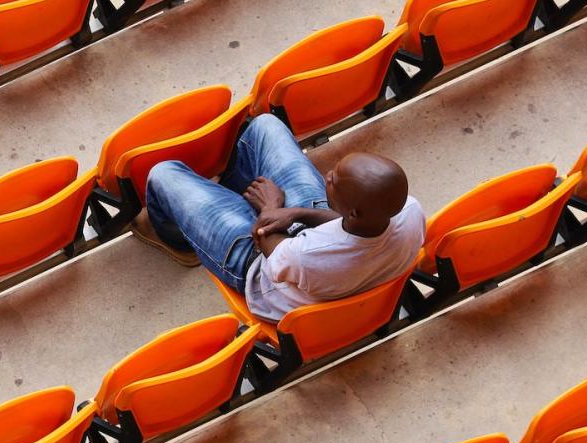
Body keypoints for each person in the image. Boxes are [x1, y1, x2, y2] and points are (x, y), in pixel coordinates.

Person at [132, 113, 425, 322]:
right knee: (265, 125)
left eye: (335, 180)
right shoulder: (409, 212)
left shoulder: (308, 255)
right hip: (313, 249)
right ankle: (231, 191)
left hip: (261, 269)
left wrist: (271, 207)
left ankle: (178, 242)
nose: (327, 174)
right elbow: (345, 227)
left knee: (163, 174)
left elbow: (265, 239)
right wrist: (296, 212)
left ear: (354, 210)